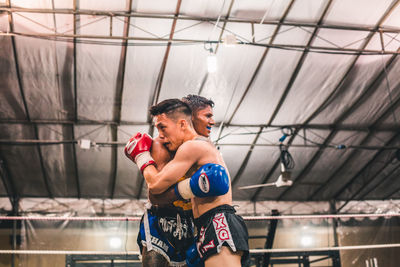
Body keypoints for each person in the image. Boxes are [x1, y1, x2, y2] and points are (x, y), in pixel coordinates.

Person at [125, 99, 249, 267]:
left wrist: (142, 157)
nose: (160, 135)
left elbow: (155, 185)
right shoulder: (195, 146)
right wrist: (189, 187)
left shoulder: (192, 146)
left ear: (182, 123)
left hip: (218, 219)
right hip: (202, 224)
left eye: (163, 127)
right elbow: (155, 197)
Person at [133, 95, 215, 267]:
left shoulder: (204, 146)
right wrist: (142, 157)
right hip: (162, 219)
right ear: (189, 119)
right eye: (207, 116)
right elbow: (154, 193)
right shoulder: (162, 145)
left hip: (190, 221)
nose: (212, 121)